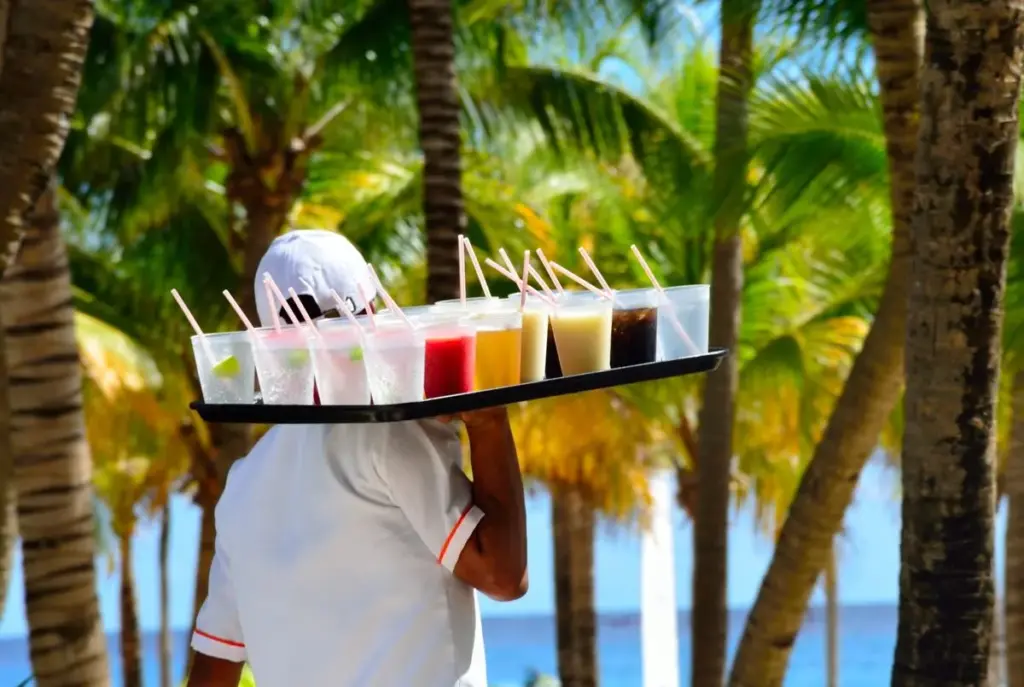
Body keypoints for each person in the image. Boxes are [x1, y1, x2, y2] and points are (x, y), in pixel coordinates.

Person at [187, 230, 528, 687]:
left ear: (270, 340)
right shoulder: (390, 433)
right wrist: (488, 422)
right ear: (374, 311)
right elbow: (502, 575)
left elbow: (213, 668)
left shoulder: (245, 484)